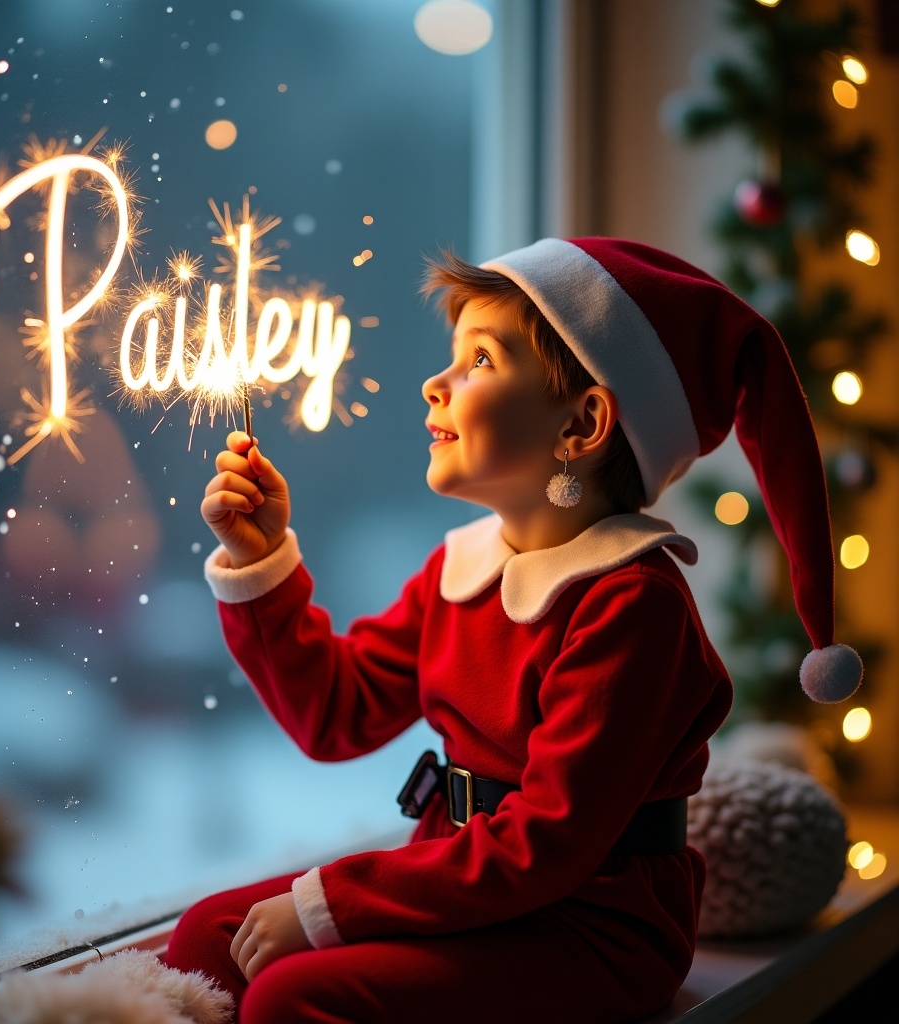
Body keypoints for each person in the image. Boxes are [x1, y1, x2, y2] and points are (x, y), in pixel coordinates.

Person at [165, 237, 862, 1024]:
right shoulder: (459, 570)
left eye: (480, 362)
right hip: (459, 879)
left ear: (583, 422)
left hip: (590, 926)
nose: (436, 383)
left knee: (295, 995)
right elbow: (336, 714)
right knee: (205, 938)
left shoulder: (634, 607)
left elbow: (546, 846)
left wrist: (335, 905)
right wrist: (262, 569)